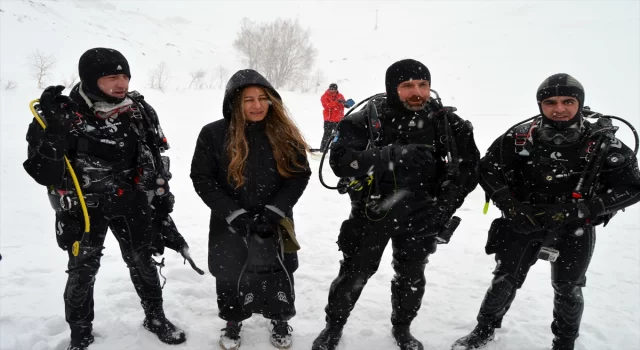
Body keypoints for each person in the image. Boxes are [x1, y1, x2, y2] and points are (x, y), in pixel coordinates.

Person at [451, 73, 640, 350]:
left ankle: (564, 343)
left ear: (580, 103)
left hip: (575, 225)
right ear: (540, 105)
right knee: (505, 279)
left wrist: (584, 209)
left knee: (568, 288)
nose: (559, 108)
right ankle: (484, 329)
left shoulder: (601, 143)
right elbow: (488, 169)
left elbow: (633, 188)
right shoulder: (519, 137)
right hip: (524, 220)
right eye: (550, 102)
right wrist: (510, 205)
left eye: (568, 101)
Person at [23, 48, 190, 350]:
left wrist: (162, 199)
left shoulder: (138, 109)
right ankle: (80, 332)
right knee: (82, 272)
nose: (121, 83)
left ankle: (155, 317)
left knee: (143, 262)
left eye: (125, 76)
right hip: (84, 208)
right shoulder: (62, 114)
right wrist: (54, 132)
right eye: (111, 77)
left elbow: (155, 154)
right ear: (90, 80)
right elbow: (42, 172)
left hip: (133, 200)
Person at [311, 59, 480, 350]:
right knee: (355, 272)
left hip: (424, 213)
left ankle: (402, 328)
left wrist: (445, 207)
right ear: (393, 88)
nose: (417, 92)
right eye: (407, 86)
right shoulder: (366, 119)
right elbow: (340, 162)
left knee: (411, 276)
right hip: (372, 210)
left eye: (423, 85)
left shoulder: (446, 123)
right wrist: (393, 154)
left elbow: (470, 168)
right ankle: (333, 327)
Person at [190, 69, 311, 350]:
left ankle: (279, 317)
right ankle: (233, 320)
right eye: (248, 100)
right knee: (230, 271)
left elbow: (299, 175)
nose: (257, 105)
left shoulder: (284, 133)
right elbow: (202, 178)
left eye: (262, 98)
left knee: (279, 269)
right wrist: (235, 214)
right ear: (235, 103)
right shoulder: (213, 134)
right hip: (229, 221)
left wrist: (275, 211)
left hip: (275, 221)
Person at [319, 83, 347, 151]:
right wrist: (337, 102)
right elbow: (327, 106)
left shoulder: (340, 96)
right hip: (328, 120)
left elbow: (344, 105)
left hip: (339, 120)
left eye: (334, 89)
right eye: (331, 89)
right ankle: (323, 149)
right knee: (327, 135)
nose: (332, 91)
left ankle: (336, 149)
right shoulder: (324, 96)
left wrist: (346, 104)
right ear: (329, 88)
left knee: (339, 135)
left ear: (336, 89)